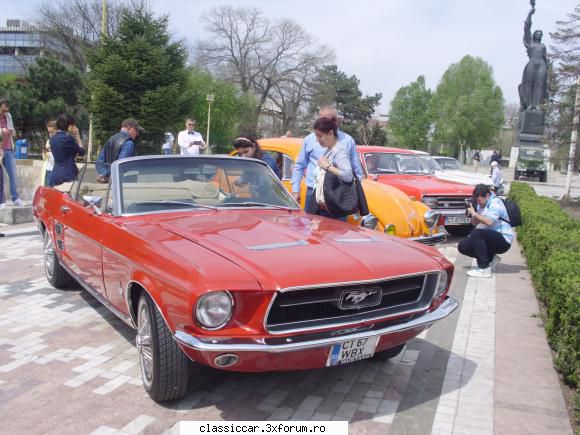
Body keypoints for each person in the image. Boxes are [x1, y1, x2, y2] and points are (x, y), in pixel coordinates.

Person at [291, 105, 363, 209]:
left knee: (335, 226)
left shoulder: (347, 141)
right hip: (313, 193)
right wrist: (295, 190)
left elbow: (356, 172)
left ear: (337, 121)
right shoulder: (310, 140)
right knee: (311, 225)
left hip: (337, 195)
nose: (324, 123)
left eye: (328, 120)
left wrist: (352, 198)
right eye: (322, 120)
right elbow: (299, 166)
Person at [458, 184, 513, 278]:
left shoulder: (495, 203)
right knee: (463, 246)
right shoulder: (482, 204)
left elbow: (489, 222)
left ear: (487, 195)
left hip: (503, 240)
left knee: (477, 233)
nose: (478, 203)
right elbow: (474, 223)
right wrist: (472, 212)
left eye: (479, 200)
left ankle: (484, 268)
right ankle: (490, 258)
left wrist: (475, 213)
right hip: (491, 238)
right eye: (477, 200)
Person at [307, 117, 354, 220]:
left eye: (320, 136)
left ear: (330, 133)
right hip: (325, 208)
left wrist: (327, 166)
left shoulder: (339, 150)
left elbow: (348, 176)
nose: (317, 140)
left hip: (333, 211)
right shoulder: (330, 149)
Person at [518, 3, 548, 111]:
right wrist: (530, 14)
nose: (539, 35)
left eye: (541, 34)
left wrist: (547, 70)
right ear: (534, 35)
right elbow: (527, 28)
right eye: (537, 33)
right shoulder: (530, 43)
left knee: (539, 84)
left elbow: (545, 59)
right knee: (529, 84)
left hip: (541, 65)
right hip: (531, 64)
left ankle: (537, 105)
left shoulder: (543, 46)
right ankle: (530, 104)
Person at [49, 114, 86, 188]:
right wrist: (77, 135)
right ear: (69, 126)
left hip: (55, 173)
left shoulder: (52, 139)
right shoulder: (69, 139)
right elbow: (82, 152)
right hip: (68, 174)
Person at [0, 98, 25, 207]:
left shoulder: (8, 116)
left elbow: (13, 131)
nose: (7, 109)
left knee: (13, 174)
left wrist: (11, 131)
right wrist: (1, 131)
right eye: (5, 106)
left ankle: (15, 198)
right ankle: (1, 201)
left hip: (9, 148)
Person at [43, 120, 57, 186]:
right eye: (49, 132)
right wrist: (45, 153)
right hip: (49, 169)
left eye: (52, 132)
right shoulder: (48, 141)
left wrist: (52, 149)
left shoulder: (60, 141)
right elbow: (45, 158)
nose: (50, 134)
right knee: (49, 187)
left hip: (56, 169)